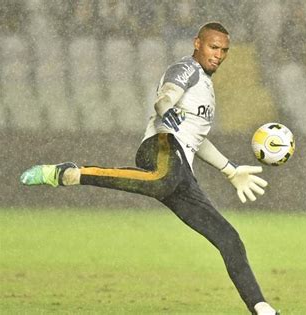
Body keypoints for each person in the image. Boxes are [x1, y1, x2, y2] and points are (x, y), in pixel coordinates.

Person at [20, 22, 279, 315]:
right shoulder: (187, 69)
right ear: (197, 44)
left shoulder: (207, 87)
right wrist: (166, 106)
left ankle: (262, 309)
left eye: (224, 50)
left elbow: (197, 140)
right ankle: (70, 172)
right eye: (213, 47)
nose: (218, 54)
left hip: (180, 169)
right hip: (160, 146)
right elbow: (165, 98)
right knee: (163, 180)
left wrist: (230, 169)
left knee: (228, 238)